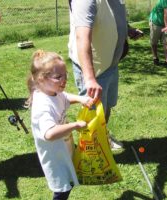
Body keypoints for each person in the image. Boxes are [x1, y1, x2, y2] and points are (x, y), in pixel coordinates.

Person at [68, 0, 142, 150]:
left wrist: (128, 30)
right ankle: (91, 151)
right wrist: (89, 78)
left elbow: (113, 17)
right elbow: (82, 38)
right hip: (94, 69)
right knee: (93, 112)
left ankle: (102, 137)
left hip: (110, 65)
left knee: (106, 108)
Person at [26, 50, 92, 200]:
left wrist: (81, 99)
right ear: (41, 79)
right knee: (62, 190)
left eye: (65, 75)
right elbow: (49, 134)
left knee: (67, 184)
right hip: (54, 158)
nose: (64, 80)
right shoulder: (42, 106)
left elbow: (65, 97)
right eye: (58, 77)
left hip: (64, 149)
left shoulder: (53, 92)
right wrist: (75, 125)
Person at [149, 0, 167, 66]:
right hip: (156, 22)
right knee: (154, 42)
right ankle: (155, 58)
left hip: (165, 23)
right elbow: (166, 13)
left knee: (166, 42)